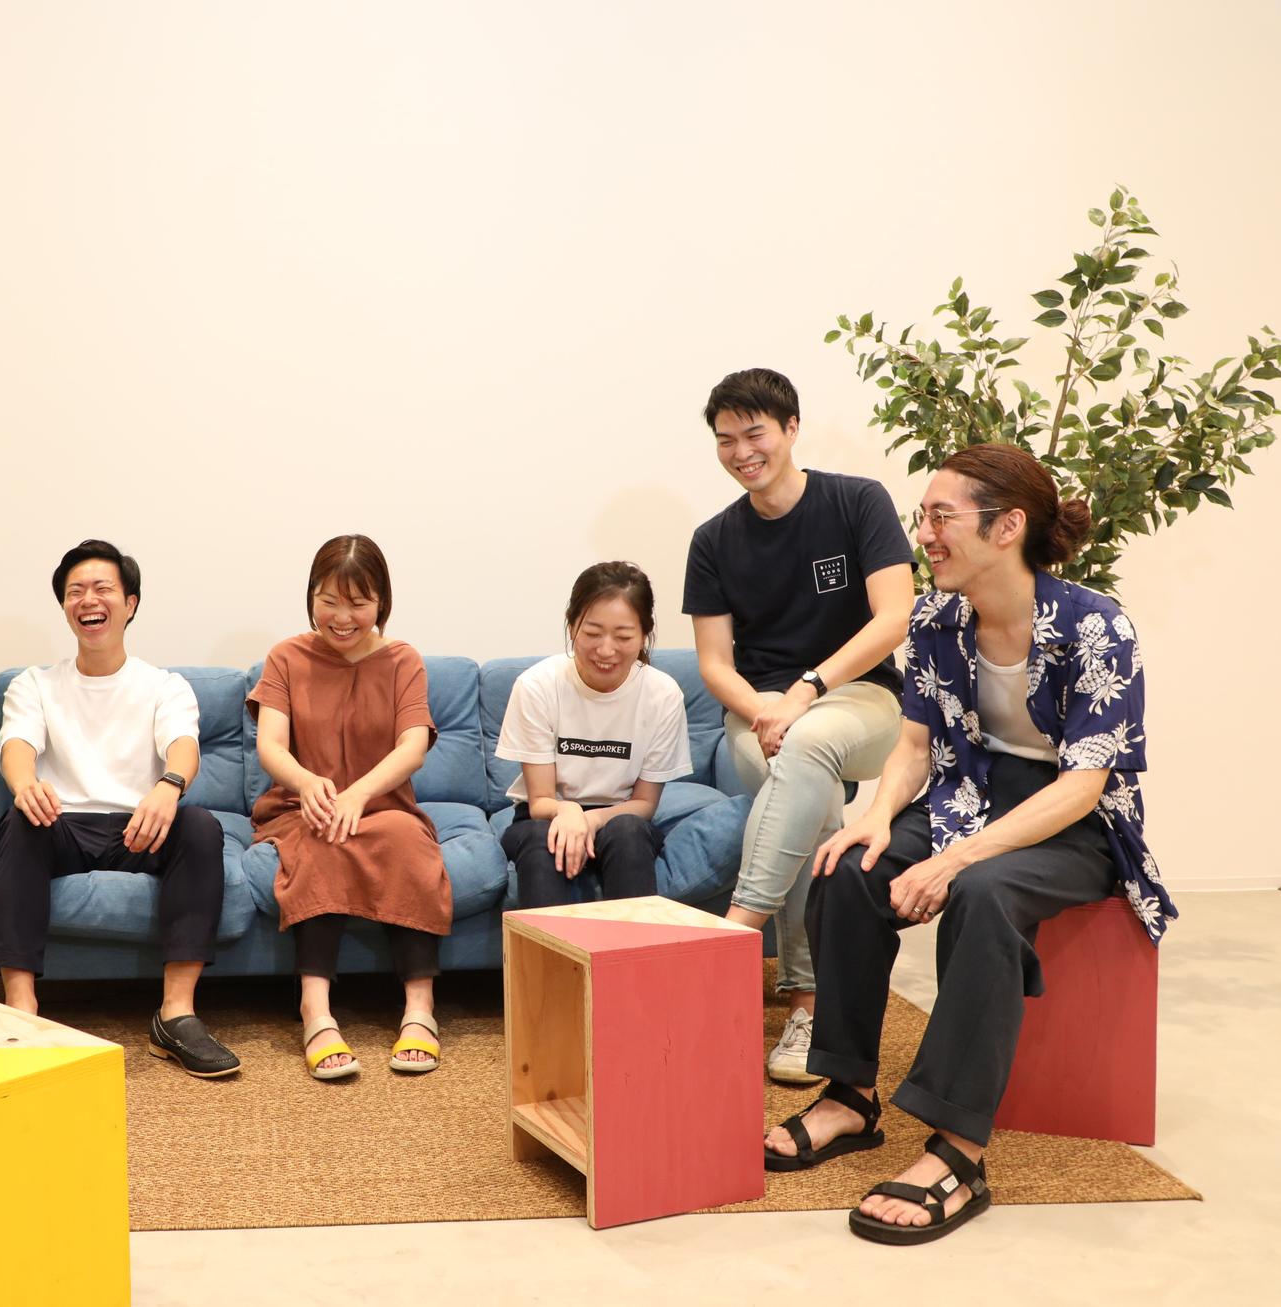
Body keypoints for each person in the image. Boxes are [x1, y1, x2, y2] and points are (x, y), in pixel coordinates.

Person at [762, 442, 1171, 1246]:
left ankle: (958, 1147)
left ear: (1007, 526)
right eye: (924, 517)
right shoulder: (935, 618)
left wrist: (953, 860)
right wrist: (879, 814)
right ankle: (849, 1095)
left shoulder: (1096, 626)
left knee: (983, 894)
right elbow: (915, 744)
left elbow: (1082, 786)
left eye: (940, 517)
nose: (924, 534)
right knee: (848, 867)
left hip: (1073, 824)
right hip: (968, 799)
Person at [682, 367, 914, 1084]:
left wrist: (807, 691)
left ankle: (733, 933)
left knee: (806, 747)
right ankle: (810, 1011)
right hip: (760, 715)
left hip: (860, 699)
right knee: (811, 798)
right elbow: (715, 663)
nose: (741, 452)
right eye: (726, 440)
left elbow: (894, 618)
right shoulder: (714, 539)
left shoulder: (857, 502)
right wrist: (766, 708)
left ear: (790, 428)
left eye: (754, 433)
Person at [0, 539, 239, 1077]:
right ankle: (21, 1010)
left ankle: (176, 1015)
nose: (88, 600)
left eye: (102, 588)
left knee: (200, 826)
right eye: (75, 591)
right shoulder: (35, 684)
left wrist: (169, 786)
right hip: (63, 825)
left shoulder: (164, 686)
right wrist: (24, 784)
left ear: (130, 604)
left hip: (140, 828)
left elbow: (183, 745)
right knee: (21, 820)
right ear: (65, 607)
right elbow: (17, 745)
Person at [250, 535, 451, 1079]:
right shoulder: (286, 657)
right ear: (310, 596)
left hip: (381, 807)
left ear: (381, 602)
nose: (342, 618)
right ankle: (315, 1011)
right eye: (329, 601)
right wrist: (308, 782)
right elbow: (270, 744)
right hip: (303, 805)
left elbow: (413, 745)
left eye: (358, 603)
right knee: (324, 835)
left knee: (406, 839)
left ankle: (420, 1009)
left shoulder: (403, 660)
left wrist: (358, 793)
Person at [496, 562, 691, 912]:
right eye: (592, 633)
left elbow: (644, 804)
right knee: (543, 841)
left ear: (644, 635)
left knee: (628, 833)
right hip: (545, 815)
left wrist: (592, 820)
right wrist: (568, 811)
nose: (605, 650)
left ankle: (634, 949)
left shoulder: (662, 694)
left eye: (623, 636)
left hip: (622, 817)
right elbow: (540, 800)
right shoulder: (537, 685)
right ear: (572, 625)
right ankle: (547, 950)